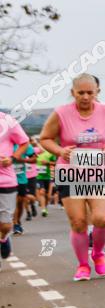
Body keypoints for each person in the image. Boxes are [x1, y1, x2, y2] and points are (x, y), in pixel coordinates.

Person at [39, 73, 105, 281]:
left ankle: (98, 254)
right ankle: (83, 264)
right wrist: (60, 151)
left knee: (101, 219)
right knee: (78, 222)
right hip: (70, 173)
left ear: (97, 92)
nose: (85, 97)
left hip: (100, 173)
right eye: (80, 93)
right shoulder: (60, 113)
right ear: (72, 93)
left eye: (90, 92)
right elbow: (45, 138)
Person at [0, 113, 30, 268]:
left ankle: (4, 238)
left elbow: (24, 142)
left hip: (5, 180)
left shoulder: (8, 121)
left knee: (5, 225)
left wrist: (12, 158)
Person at [34, 141, 56, 217]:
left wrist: (48, 162)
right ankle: (43, 209)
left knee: (48, 196)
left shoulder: (49, 154)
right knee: (42, 192)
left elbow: (56, 163)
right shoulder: (35, 154)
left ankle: (45, 207)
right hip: (39, 177)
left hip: (48, 177)